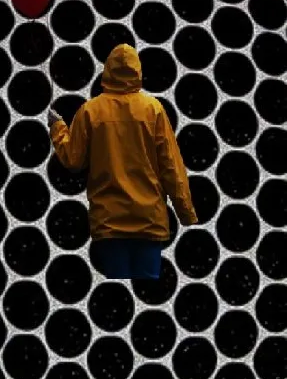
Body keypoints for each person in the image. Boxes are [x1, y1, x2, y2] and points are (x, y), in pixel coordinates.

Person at [47, 44, 198, 280]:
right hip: (149, 222)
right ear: (138, 72)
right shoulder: (153, 110)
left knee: (117, 296)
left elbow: (73, 160)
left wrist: (57, 128)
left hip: (109, 224)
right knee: (146, 298)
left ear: (107, 71)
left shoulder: (90, 111)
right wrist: (186, 213)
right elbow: (172, 167)